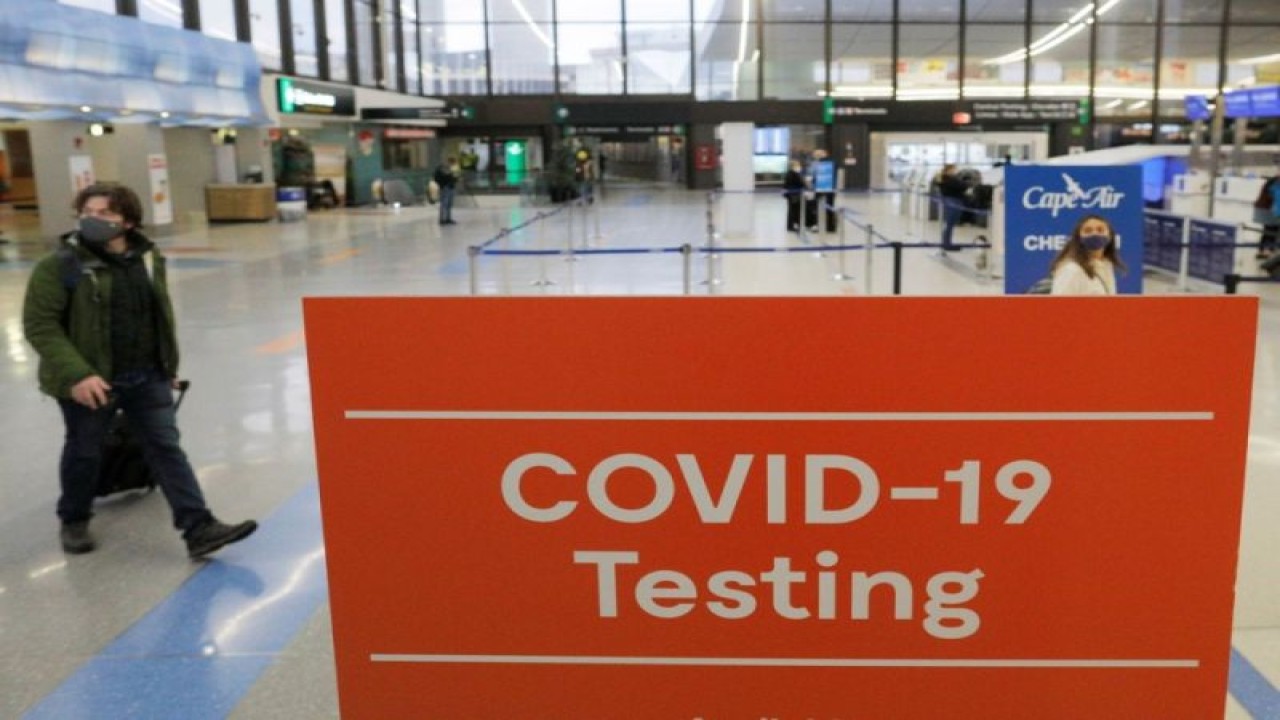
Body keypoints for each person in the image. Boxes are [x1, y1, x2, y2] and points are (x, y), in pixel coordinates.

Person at [22, 183, 258, 558]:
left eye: (105, 213)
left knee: (165, 447)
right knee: (85, 449)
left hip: (146, 374)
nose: (92, 219)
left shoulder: (149, 258)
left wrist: (167, 367)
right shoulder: (60, 265)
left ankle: (198, 527)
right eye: (88, 212)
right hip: (90, 378)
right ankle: (74, 517)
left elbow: (157, 317)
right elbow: (40, 326)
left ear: (128, 222)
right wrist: (77, 375)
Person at [1049, 214, 1125, 295]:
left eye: (1100, 230)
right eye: (1088, 231)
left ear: (1110, 236)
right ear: (1079, 238)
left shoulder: (1107, 266)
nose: (1094, 233)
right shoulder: (1071, 269)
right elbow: (1059, 305)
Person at [937, 164, 970, 251]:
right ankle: (946, 244)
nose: (955, 171)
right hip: (953, 201)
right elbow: (961, 186)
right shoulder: (948, 179)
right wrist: (965, 183)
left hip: (953, 200)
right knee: (950, 223)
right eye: (954, 169)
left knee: (950, 223)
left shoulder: (945, 178)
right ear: (949, 170)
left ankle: (946, 242)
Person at [1251, 171, 1279, 260]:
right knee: (1273, 230)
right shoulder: (1276, 185)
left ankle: (1262, 250)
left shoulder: (1272, 182)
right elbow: (1277, 200)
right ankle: (1268, 250)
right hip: (1270, 210)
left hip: (1264, 209)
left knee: (1268, 230)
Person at [433, 157, 460, 225]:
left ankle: (448, 218)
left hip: (450, 187)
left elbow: (452, 177)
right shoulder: (442, 168)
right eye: (452, 163)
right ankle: (442, 219)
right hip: (445, 187)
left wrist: (455, 179)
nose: (452, 165)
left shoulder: (449, 169)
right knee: (444, 203)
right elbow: (445, 177)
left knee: (449, 204)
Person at [783, 160, 807, 233]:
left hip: (791, 194)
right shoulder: (794, 174)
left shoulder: (789, 173)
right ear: (793, 166)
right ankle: (791, 226)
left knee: (792, 210)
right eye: (797, 165)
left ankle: (791, 225)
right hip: (794, 194)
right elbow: (801, 183)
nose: (799, 167)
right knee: (793, 210)